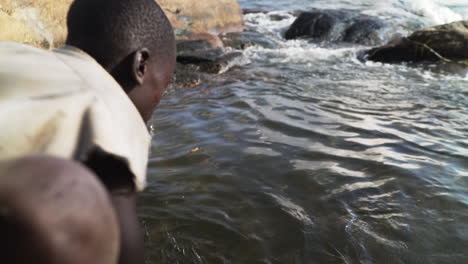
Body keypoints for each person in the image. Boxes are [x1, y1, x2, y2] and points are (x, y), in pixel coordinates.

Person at [0, 0, 176, 263]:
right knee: (79, 197)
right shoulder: (110, 104)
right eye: (163, 84)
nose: (158, 98)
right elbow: (126, 250)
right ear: (140, 66)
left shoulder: (12, 52)